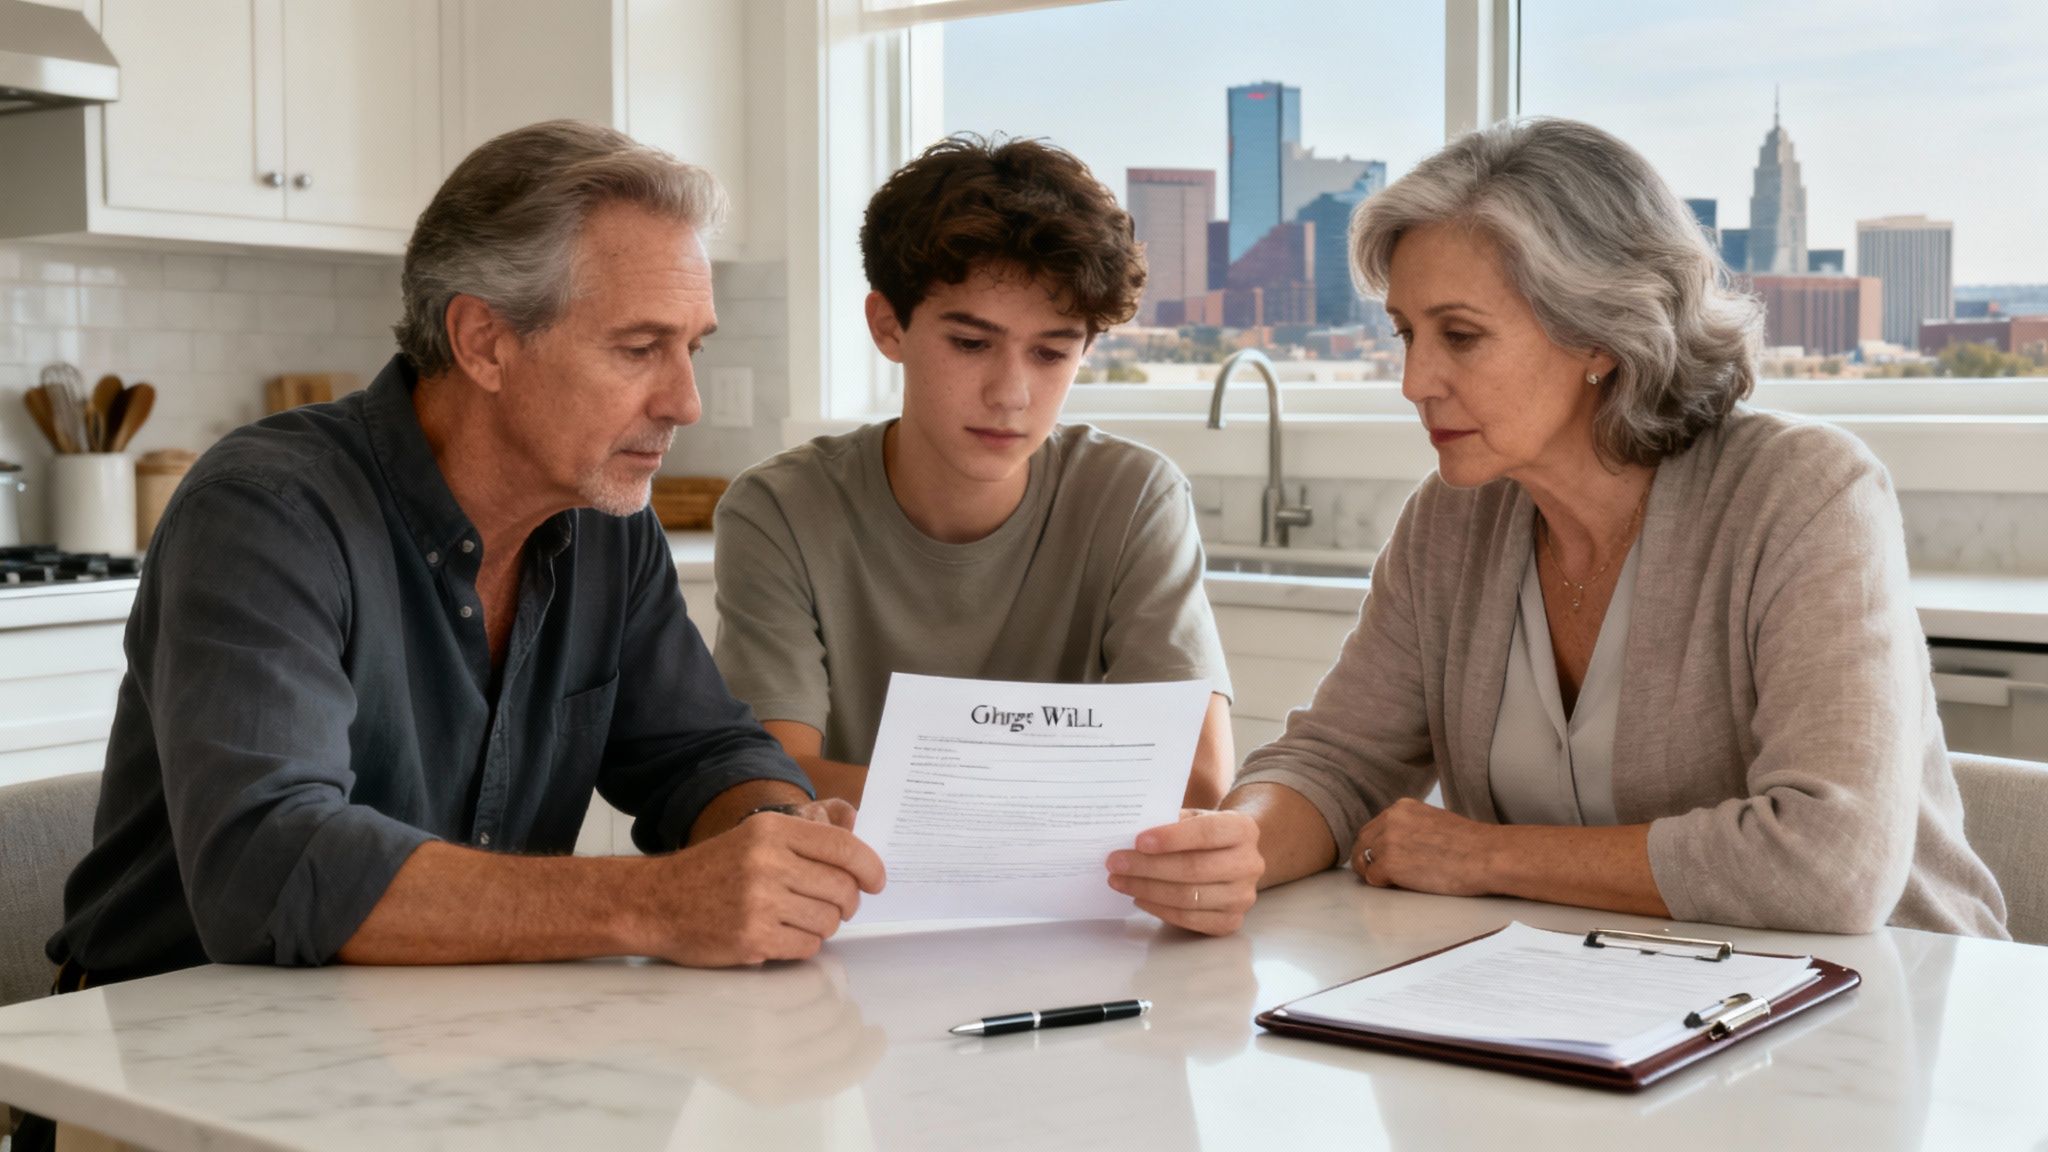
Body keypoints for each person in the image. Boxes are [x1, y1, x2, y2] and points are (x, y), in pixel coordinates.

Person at [1115, 117, 2008, 938]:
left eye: (1460, 336)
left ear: (1600, 337)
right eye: (1405, 333)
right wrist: (1241, 841)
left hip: (1883, 1023)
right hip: (1592, 1014)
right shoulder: (1453, 519)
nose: (1414, 381)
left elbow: (1829, 864)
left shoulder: (1805, 495)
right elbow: (1339, 760)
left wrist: (1484, 857)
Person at [45, 120, 888, 986]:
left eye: (692, 347)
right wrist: (661, 901)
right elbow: (269, 866)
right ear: (483, 340)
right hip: (162, 1066)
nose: (686, 401)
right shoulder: (268, 512)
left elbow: (702, 754)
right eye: (640, 348)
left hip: (440, 1047)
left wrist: (780, 832)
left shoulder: (605, 518)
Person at [711, 135, 1237, 814]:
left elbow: (1195, 783)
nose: (1011, 394)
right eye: (970, 343)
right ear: (888, 327)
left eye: (1051, 353)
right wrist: (1076, 793)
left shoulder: (1134, 496)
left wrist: (930, 795)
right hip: (850, 903)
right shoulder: (778, 508)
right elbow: (776, 785)